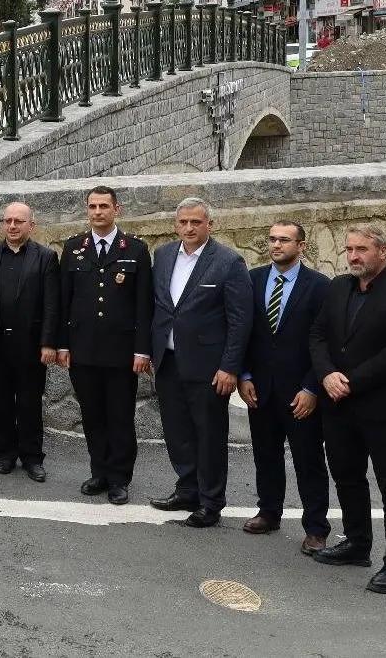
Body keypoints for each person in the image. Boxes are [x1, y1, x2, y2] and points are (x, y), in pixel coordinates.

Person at [309, 224, 386, 595]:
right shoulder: (338, 287)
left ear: (383, 251)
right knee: (347, 477)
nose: (354, 256)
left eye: (362, 249)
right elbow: (318, 335)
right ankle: (358, 544)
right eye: (349, 249)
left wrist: (349, 381)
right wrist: (327, 374)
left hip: (384, 408)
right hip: (338, 405)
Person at [148, 197, 253, 529]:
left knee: (209, 434)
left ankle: (210, 502)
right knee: (177, 431)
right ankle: (187, 489)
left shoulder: (228, 261)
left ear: (210, 224)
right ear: (176, 224)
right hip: (168, 360)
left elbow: (240, 320)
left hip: (210, 367)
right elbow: (160, 305)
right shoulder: (163, 256)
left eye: (196, 222)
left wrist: (230, 367)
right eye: (183, 222)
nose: (189, 228)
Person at [57, 185, 152, 506]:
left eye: (103, 206)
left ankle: (119, 478)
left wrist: (142, 349)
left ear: (117, 210)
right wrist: (62, 345)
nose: (98, 212)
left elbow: (143, 306)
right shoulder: (74, 249)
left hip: (121, 353)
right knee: (92, 415)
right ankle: (99, 471)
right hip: (82, 350)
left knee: (120, 416)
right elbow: (63, 302)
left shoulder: (135, 250)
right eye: (92, 207)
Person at [241, 221, 332, 554]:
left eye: (284, 240)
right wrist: (244, 375)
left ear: (301, 246)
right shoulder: (252, 280)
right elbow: (244, 333)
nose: (276, 245)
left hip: (301, 392)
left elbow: (324, 342)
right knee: (266, 455)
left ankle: (316, 529)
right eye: (272, 239)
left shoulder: (321, 287)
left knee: (308, 460)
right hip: (260, 388)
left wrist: (312, 388)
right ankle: (269, 512)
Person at [0, 202, 60, 481]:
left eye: (19, 222)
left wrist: (48, 343)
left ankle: (33, 457)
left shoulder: (46, 257)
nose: (12, 226)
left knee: (29, 404)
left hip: (31, 346)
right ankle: (4, 454)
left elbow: (51, 304)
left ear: (31, 226)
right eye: (8, 221)